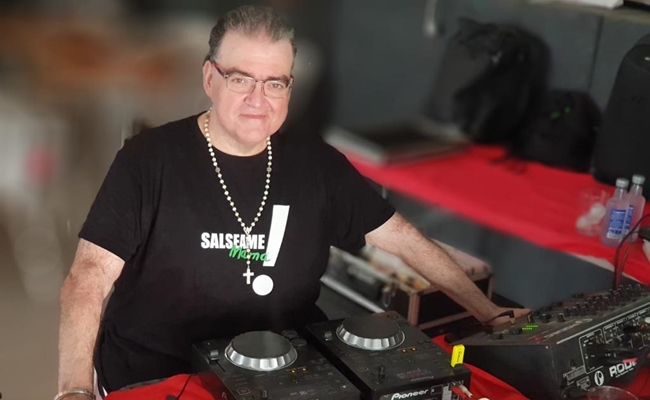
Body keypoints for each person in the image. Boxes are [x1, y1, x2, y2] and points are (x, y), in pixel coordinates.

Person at [57, 5, 529, 400]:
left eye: (274, 83)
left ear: (289, 87)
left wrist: (487, 312)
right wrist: (73, 390)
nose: (257, 99)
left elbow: (402, 238)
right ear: (209, 78)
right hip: (162, 374)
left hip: (284, 372)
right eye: (240, 79)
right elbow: (88, 278)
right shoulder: (146, 160)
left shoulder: (317, 164)